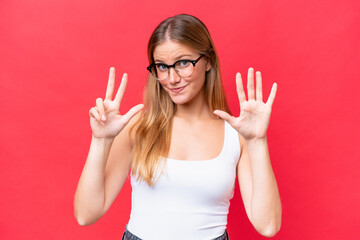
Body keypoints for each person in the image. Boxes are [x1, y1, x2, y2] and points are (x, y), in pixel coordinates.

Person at [74, 14, 282, 239]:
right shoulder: (138, 128)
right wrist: (100, 141)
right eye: (162, 66)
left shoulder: (237, 135)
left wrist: (258, 141)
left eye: (183, 63)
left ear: (208, 61)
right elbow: (86, 214)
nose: (172, 78)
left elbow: (268, 226)